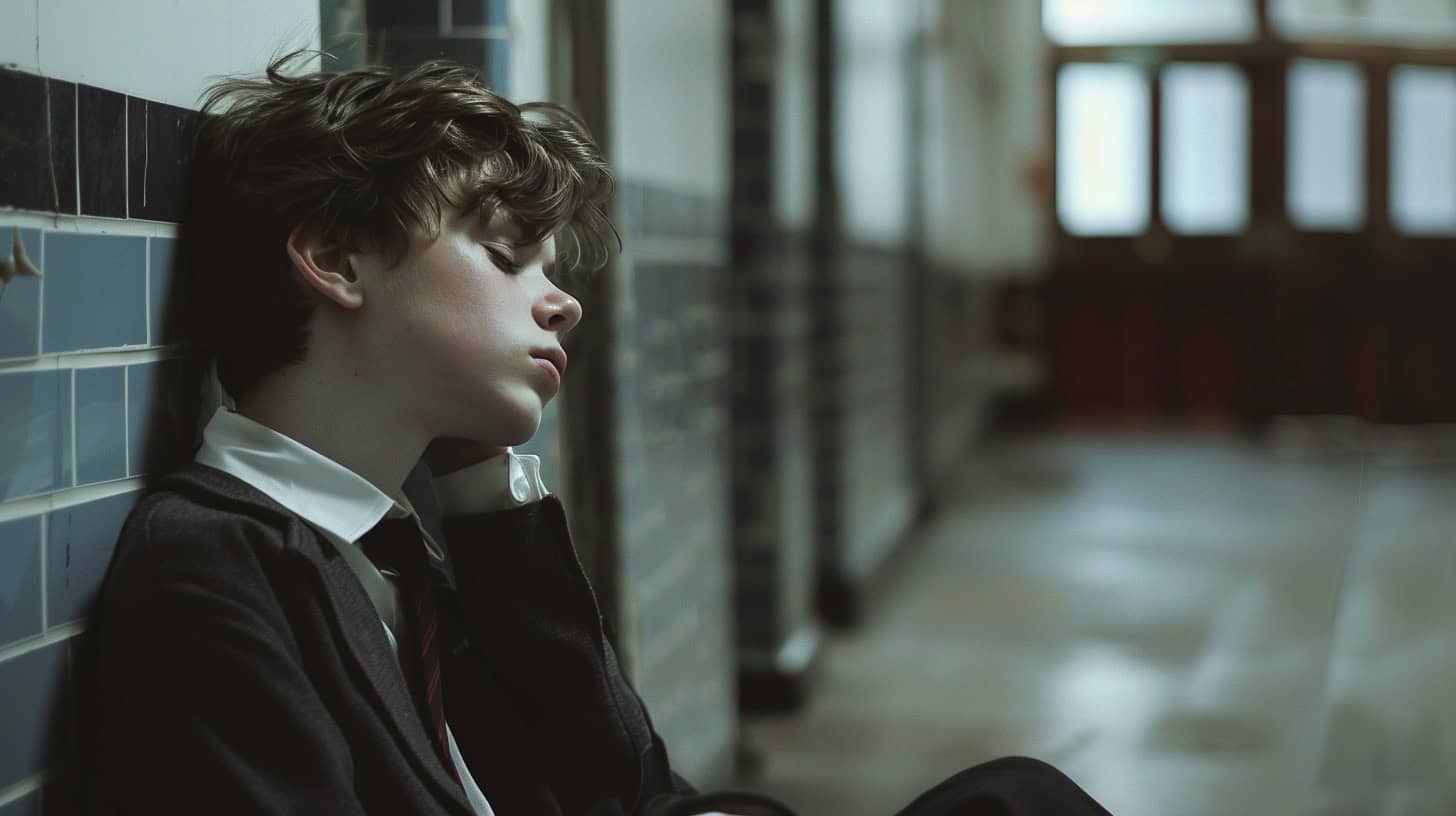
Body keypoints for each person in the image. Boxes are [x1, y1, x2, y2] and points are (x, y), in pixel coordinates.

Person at [87, 53, 1113, 816]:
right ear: (334, 259)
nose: (561, 304)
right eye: (504, 256)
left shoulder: (395, 540)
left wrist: (484, 491)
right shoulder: (212, 564)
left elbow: (624, 789)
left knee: (1016, 802)